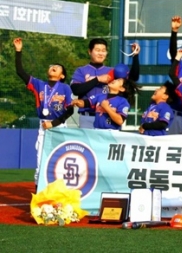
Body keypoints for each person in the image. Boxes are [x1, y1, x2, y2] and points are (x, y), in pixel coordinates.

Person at [13, 38, 75, 185]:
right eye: (52, 66)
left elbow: (70, 110)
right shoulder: (39, 84)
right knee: (41, 161)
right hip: (43, 127)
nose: (53, 67)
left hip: (59, 127)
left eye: (57, 67)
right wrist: (18, 51)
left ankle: (60, 194)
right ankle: (39, 192)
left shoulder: (65, 88)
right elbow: (20, 72)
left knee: (61, 161)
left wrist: (54, 123)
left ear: (62, 76)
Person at [71, 39, 139, 129]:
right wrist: (97, 79)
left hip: (107, 116)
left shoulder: (111, 72)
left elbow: (132, 78)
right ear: (89, 52)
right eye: (97, 50)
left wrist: (135, 56)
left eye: (103, 51)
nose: (101, 53)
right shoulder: (81, 70)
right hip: (87, 116)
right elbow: (76, 90)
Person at [73, 63, 139, 130]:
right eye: (116, 79)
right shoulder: (100, 96)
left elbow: (120, 121)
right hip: (97, 130)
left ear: (122, 89)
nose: (114, 80)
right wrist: (76, 102)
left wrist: (107, 107)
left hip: (111, 132)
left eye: (118, 80)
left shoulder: (122, 101)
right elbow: (85, 103)